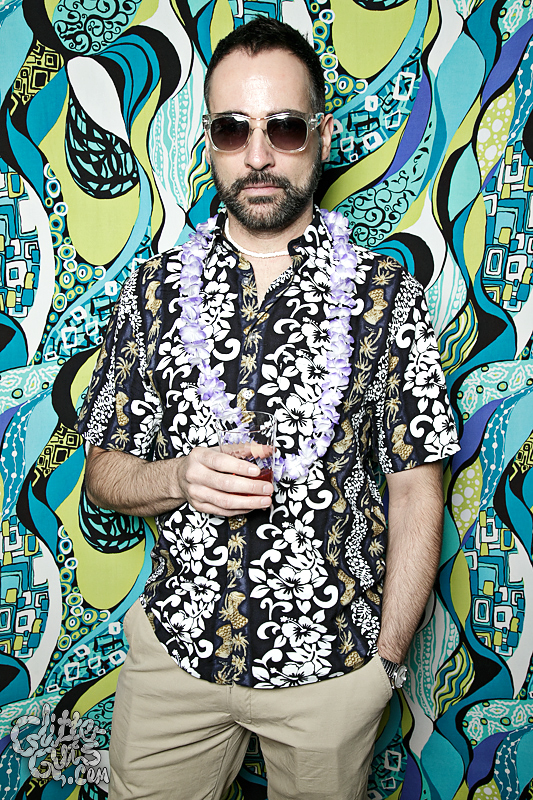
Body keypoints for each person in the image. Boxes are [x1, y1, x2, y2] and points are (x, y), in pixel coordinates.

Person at [76, 17, 460, 800]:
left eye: (283, 127)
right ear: (208, 143)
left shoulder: (384, 294)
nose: (257, 155)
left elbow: (417, 487)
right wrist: (178, 478)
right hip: (177, 657)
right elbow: (103, 473)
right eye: (232, 129)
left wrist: (385, 663)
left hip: (332, 673)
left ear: (321, 136)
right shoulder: (152, 291)